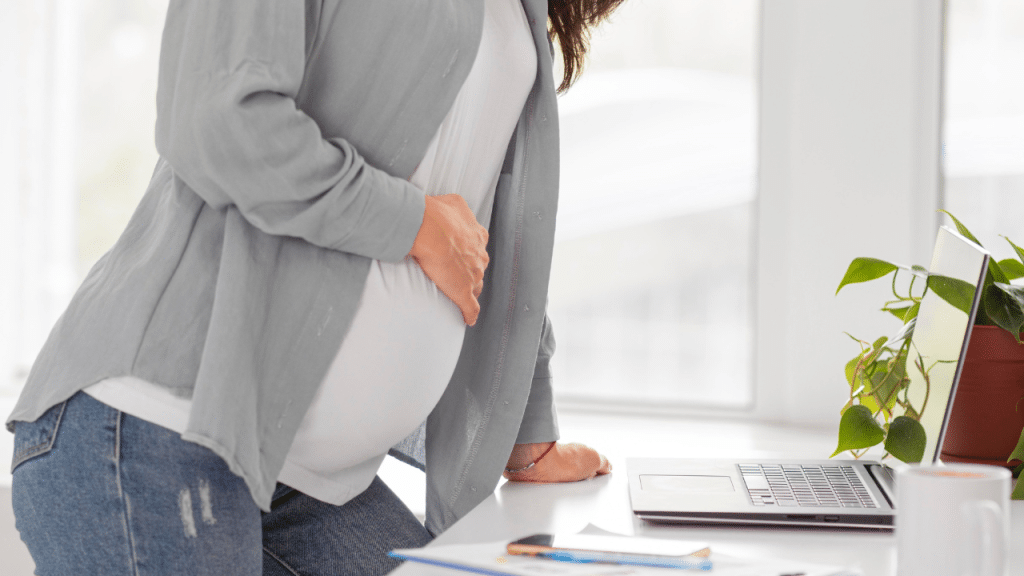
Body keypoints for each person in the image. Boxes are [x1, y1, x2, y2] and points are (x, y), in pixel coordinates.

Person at [7, 0, 624, 574]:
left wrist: (526, 429)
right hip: (160, 430)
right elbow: (218, 119)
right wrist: (413, 224)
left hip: (309, 482)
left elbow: (489, 222)